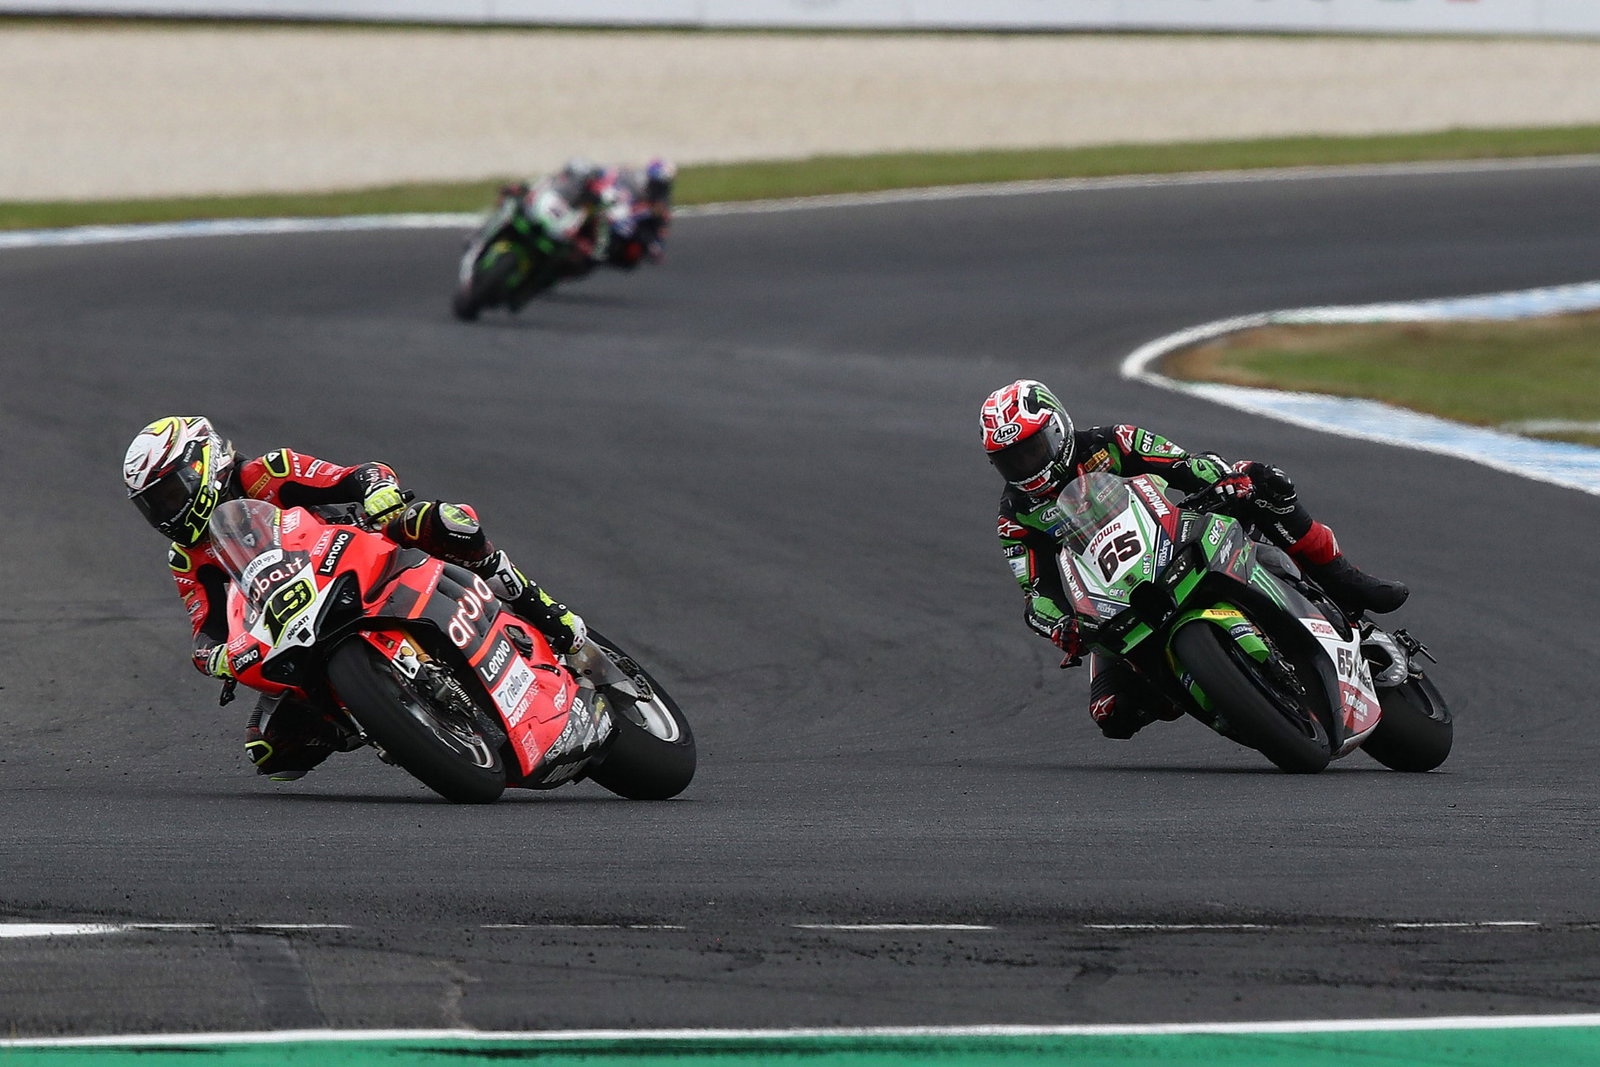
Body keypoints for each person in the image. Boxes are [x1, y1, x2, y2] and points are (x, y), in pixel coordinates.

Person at [123, 416, 587, 780]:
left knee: (443, 522)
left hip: (362, 554)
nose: (165, 512)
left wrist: (378, 492)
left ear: (202, 464)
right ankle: (379, 712)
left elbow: (356, 475)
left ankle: (537, 604)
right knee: (270, 749)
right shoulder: (186, 557)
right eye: (153, 506)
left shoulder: (268, 472)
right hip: (293, 617)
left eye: (168, 495)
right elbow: (205, 627)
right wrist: (215, 658)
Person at [981, 379, 1408, 741]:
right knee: (1112, 714)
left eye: (1031, 449)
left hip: (1173, 539)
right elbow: (1036, 591)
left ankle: (1344, 580)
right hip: (1116, 600)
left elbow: (1182, 464)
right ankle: (1200, 683)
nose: (1023, 465)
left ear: (1057, 430)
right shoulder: (1015, 515)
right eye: (1009, 459)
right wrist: (1060, 624)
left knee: (1261, 481)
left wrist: (1223, 481)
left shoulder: (1113, 443)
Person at [602, 158, 676, 268]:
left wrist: (657, 243)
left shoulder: (663, 198)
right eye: (658, 183)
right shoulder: (638, 180)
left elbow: (662, 221)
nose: (660, 187)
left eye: (665, 183)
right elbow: (619, 187)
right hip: (625, 209)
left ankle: (650, 245)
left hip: (639, 218)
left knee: (655, 242)